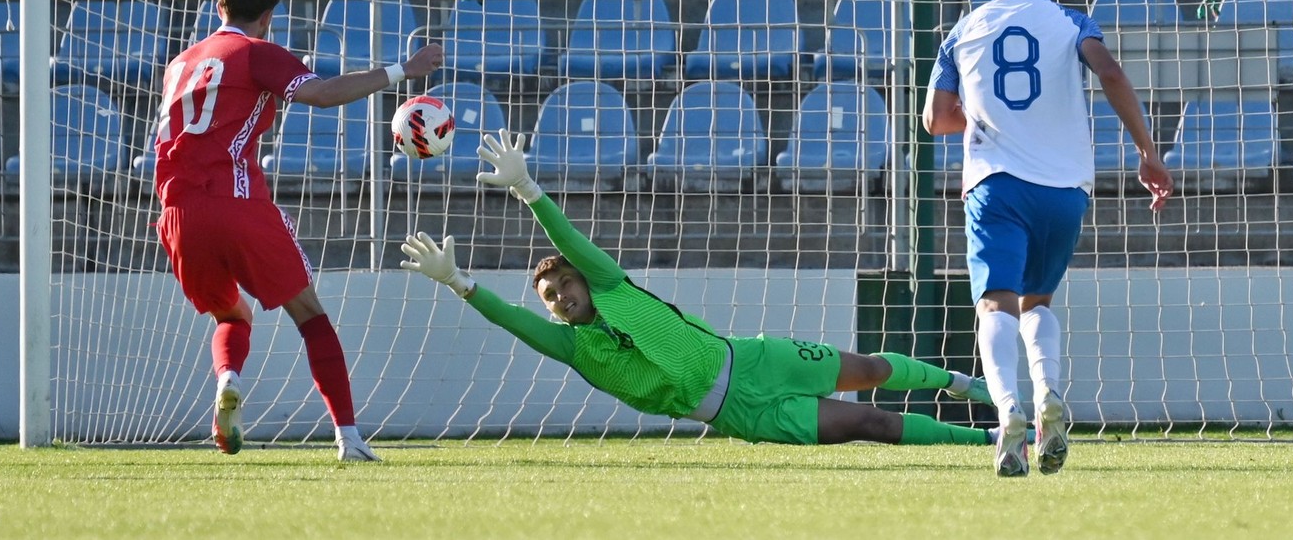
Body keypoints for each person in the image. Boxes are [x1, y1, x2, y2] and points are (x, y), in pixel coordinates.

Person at [400, 130, 1007, 450]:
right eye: (550, 295)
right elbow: (511, 318)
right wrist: (458, 281)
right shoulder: (571, 347)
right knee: (871, 424)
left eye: (564, 281)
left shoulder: (611, 285)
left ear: (583, 278)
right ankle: (994, 437)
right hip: (742, 412)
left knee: (871, 368)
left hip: (755, 357)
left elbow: (572, 240)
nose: (559, 295)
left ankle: (976, 388)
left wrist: (529, 190)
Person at [152, 0, 444, 460]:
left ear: (218, 6)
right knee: (310, 315)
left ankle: (227, 380)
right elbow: (324, 95)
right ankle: (348, 438)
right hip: (237, 203)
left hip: (177, 213)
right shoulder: (256, 53)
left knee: (232, 313)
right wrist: (404, 70)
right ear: (268, 16)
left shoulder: (179, 64)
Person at [923, 0, 1175, 477]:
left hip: (995, 186)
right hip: (1063, 190)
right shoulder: (1071, 22)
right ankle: (1048, 396)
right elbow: (1110, 74)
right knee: (1038, 303)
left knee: (995, 304)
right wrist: (1148, 153)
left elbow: (935, 120)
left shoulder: (964, 29)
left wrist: (986, 116)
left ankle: (1009, 412)